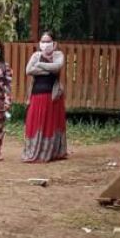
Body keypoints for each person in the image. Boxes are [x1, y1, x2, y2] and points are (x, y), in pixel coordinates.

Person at [23, 32, 69, 163]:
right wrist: (47, 69)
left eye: (48, 41)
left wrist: (39, 65)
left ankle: (53, 151)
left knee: (51, 123)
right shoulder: (35, 55)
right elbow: (28, 70)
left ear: (54, 43)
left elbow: (57, 67)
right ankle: (35, 150)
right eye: (42, 41)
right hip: (37, 93)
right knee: (35, 121)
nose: (45, 44)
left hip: (53, 95)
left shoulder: (58, 55)